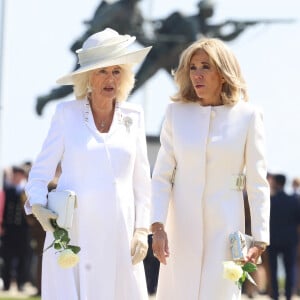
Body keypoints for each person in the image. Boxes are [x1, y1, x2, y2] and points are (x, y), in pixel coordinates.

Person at [24, 28, 152, 300]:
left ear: (125, 76)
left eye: (116, 71)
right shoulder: (65, 114)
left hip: (120, 236)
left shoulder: (135, 116)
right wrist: (38, 205)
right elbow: (38, 175)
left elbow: (142, 182)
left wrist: (142, 230)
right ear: (87, 77)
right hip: (73, 234)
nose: (110, 79)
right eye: (101, 71)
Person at [150, 37, 270, 299]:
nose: (197, 75)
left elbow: (258, 182)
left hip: (226, 227)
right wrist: (157, 227)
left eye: (205, 66)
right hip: (180, 227)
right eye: (192, 67)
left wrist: (260, 238)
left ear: (223, 72)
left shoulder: (248, 116)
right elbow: (160, 177)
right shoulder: (175, 114)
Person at [268, 173, 300, 300]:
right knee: (290, 268)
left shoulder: (270, 200)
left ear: (276, 183)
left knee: (273, 269)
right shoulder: (294, 200)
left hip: (273, 239)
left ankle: (275, 294)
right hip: (290, 240)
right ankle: (288, 295)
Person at [1, 165, 30, 292]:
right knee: (7, 257)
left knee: (23, 257)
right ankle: (7, 284)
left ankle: (21, 284)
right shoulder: (7, 190)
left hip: (23, 229)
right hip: (9, 229)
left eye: (19, 174)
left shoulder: (26, 190)